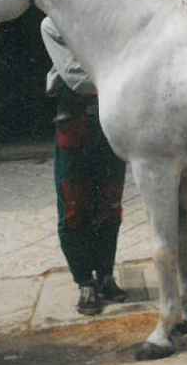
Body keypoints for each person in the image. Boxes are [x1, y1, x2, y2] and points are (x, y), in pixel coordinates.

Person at [41, 16, 128, 316]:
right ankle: (85, 284)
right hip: (74, 125)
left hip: (108, 124)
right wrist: (122, 80)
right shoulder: (53, 24)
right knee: (74, 207)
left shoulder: (104, 18)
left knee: (110, 203)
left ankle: (105, 276)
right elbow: (76, 77)